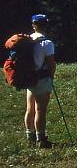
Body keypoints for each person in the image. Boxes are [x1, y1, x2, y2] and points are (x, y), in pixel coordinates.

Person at [25, 14, 56, 149]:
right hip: (41, 79)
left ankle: (29, 136)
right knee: (40, 110)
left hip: (29, 78)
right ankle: (41, 139)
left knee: (30, 108)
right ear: (46, 25)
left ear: (33, 25)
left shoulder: (27, 40)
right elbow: (51, 64)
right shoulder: (46, 43)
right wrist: (52, 76)